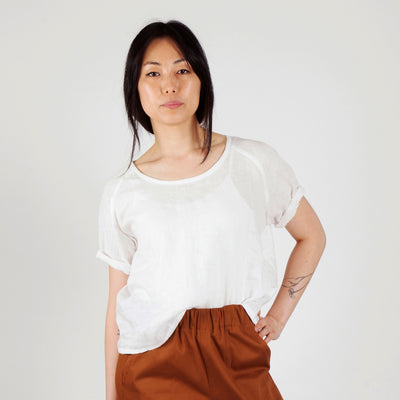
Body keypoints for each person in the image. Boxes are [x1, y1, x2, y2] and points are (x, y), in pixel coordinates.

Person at [96, 19, 326, 400]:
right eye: (153, 73)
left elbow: (311, 235)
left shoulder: (253, 162)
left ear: (201, 80)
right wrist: (110, 395)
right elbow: (115, 307)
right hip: (151, 364)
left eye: (182, 70)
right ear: (135, 89)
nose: (169, 85)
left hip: (237, 352)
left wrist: (278, 316)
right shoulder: (122, 192)